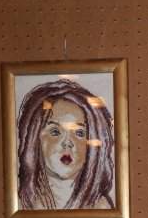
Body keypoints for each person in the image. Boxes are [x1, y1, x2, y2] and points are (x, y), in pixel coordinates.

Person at [17, 79, 115, 210]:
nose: (67, 143)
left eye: (79, 133)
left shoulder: (102, 208)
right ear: (35, 139)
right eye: (55, 132)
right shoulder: (20, 204)